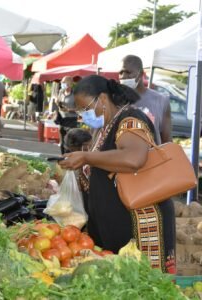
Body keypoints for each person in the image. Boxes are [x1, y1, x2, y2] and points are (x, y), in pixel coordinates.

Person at [58, 75, 175, 274]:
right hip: (113, 227)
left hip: (139, 228)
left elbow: (134, 159)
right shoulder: (104, 128)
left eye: (85, 108)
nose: (83, 114)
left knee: (141, 285)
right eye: (79, 110)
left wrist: (87, 158)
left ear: (103, 99)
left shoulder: (131, 119)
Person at [119, 55, 171, 145]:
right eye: (121, 72)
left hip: (154, 157)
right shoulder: (115, 100)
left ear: (141, 74)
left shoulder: (161, 100)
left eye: (128, 72)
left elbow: (167, 140)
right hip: (123, 157)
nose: (123, 76)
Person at [56, 76, 78, 154]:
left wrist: (69, 110)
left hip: (71, 120)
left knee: (69, 141)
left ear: (70, 83)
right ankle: (63, 158)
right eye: (62, 82)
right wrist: (58, 104)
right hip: (62, 119)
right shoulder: (61, 92)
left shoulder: (75, 94)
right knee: (62, 142)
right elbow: (58, 102)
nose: (62, 83)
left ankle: (69, 158)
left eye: (64, 82)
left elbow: (80, 108)